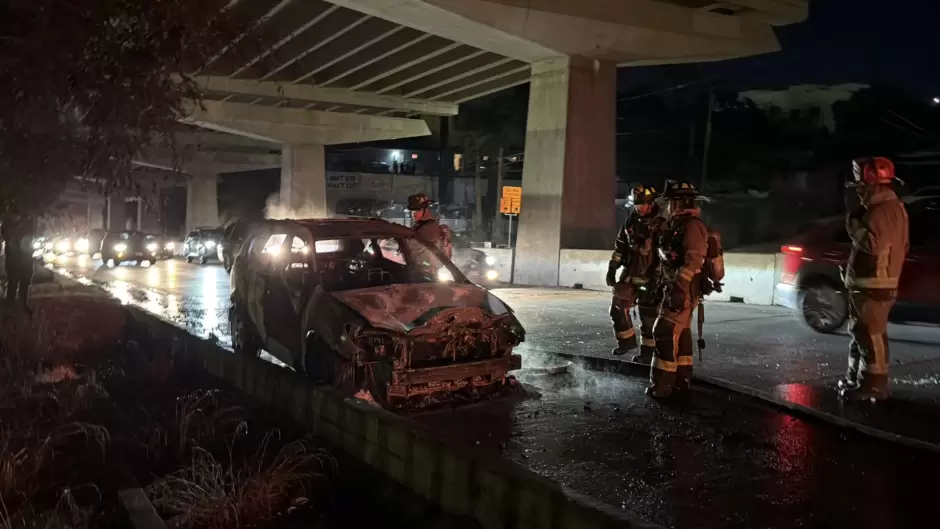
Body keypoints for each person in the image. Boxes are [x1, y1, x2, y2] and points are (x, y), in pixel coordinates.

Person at [839, 157, 909, 402]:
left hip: (874, 285)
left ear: (875, 186)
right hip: (869, 283)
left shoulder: (883, 211)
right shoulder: (885, 209)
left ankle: (874, 386)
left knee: (871, 335)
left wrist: (852, 223)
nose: (858, 192)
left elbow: (872, 244)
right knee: (862, 334)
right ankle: (856, 379)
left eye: (861, 187)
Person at [647, 181, 708, 399]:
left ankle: (661, 387)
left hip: (682, 290)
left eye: (671, 202)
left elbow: (692, 261)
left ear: (680, 202)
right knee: (680, 334)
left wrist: (680, 288)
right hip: (672, 287)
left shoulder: (692, 226)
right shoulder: (676, 225)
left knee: (663, 331)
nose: (668, 206)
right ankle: (681, 382)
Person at [606, 184, 665, 359]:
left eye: (643, 204)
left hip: (653, 276)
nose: (639, 208)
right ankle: (626, 342)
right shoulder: (631, 220)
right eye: (637, 204)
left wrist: (658, 277)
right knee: (617, 308)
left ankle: (648, 353)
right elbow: (620, 246)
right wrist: (612, 268)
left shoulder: (662, 223)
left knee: (649, 317)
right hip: (631, 272)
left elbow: (666, 254)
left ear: (652, 202)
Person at [1, 208, 36, 312]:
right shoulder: (7, 224)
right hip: (14, 260)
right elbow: (8, 238)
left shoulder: (28, 223)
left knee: (24, 283)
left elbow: (31, 238)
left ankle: (22, 304)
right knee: (13, 283)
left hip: (25, 260)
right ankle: (11, 304)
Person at [406, 193, 452, 259]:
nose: (413, 213)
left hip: (425, 265)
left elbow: (414, 245)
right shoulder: (421, 224)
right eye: (413, 210)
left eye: (418, 209)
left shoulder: (429, 227)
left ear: (425, 210)